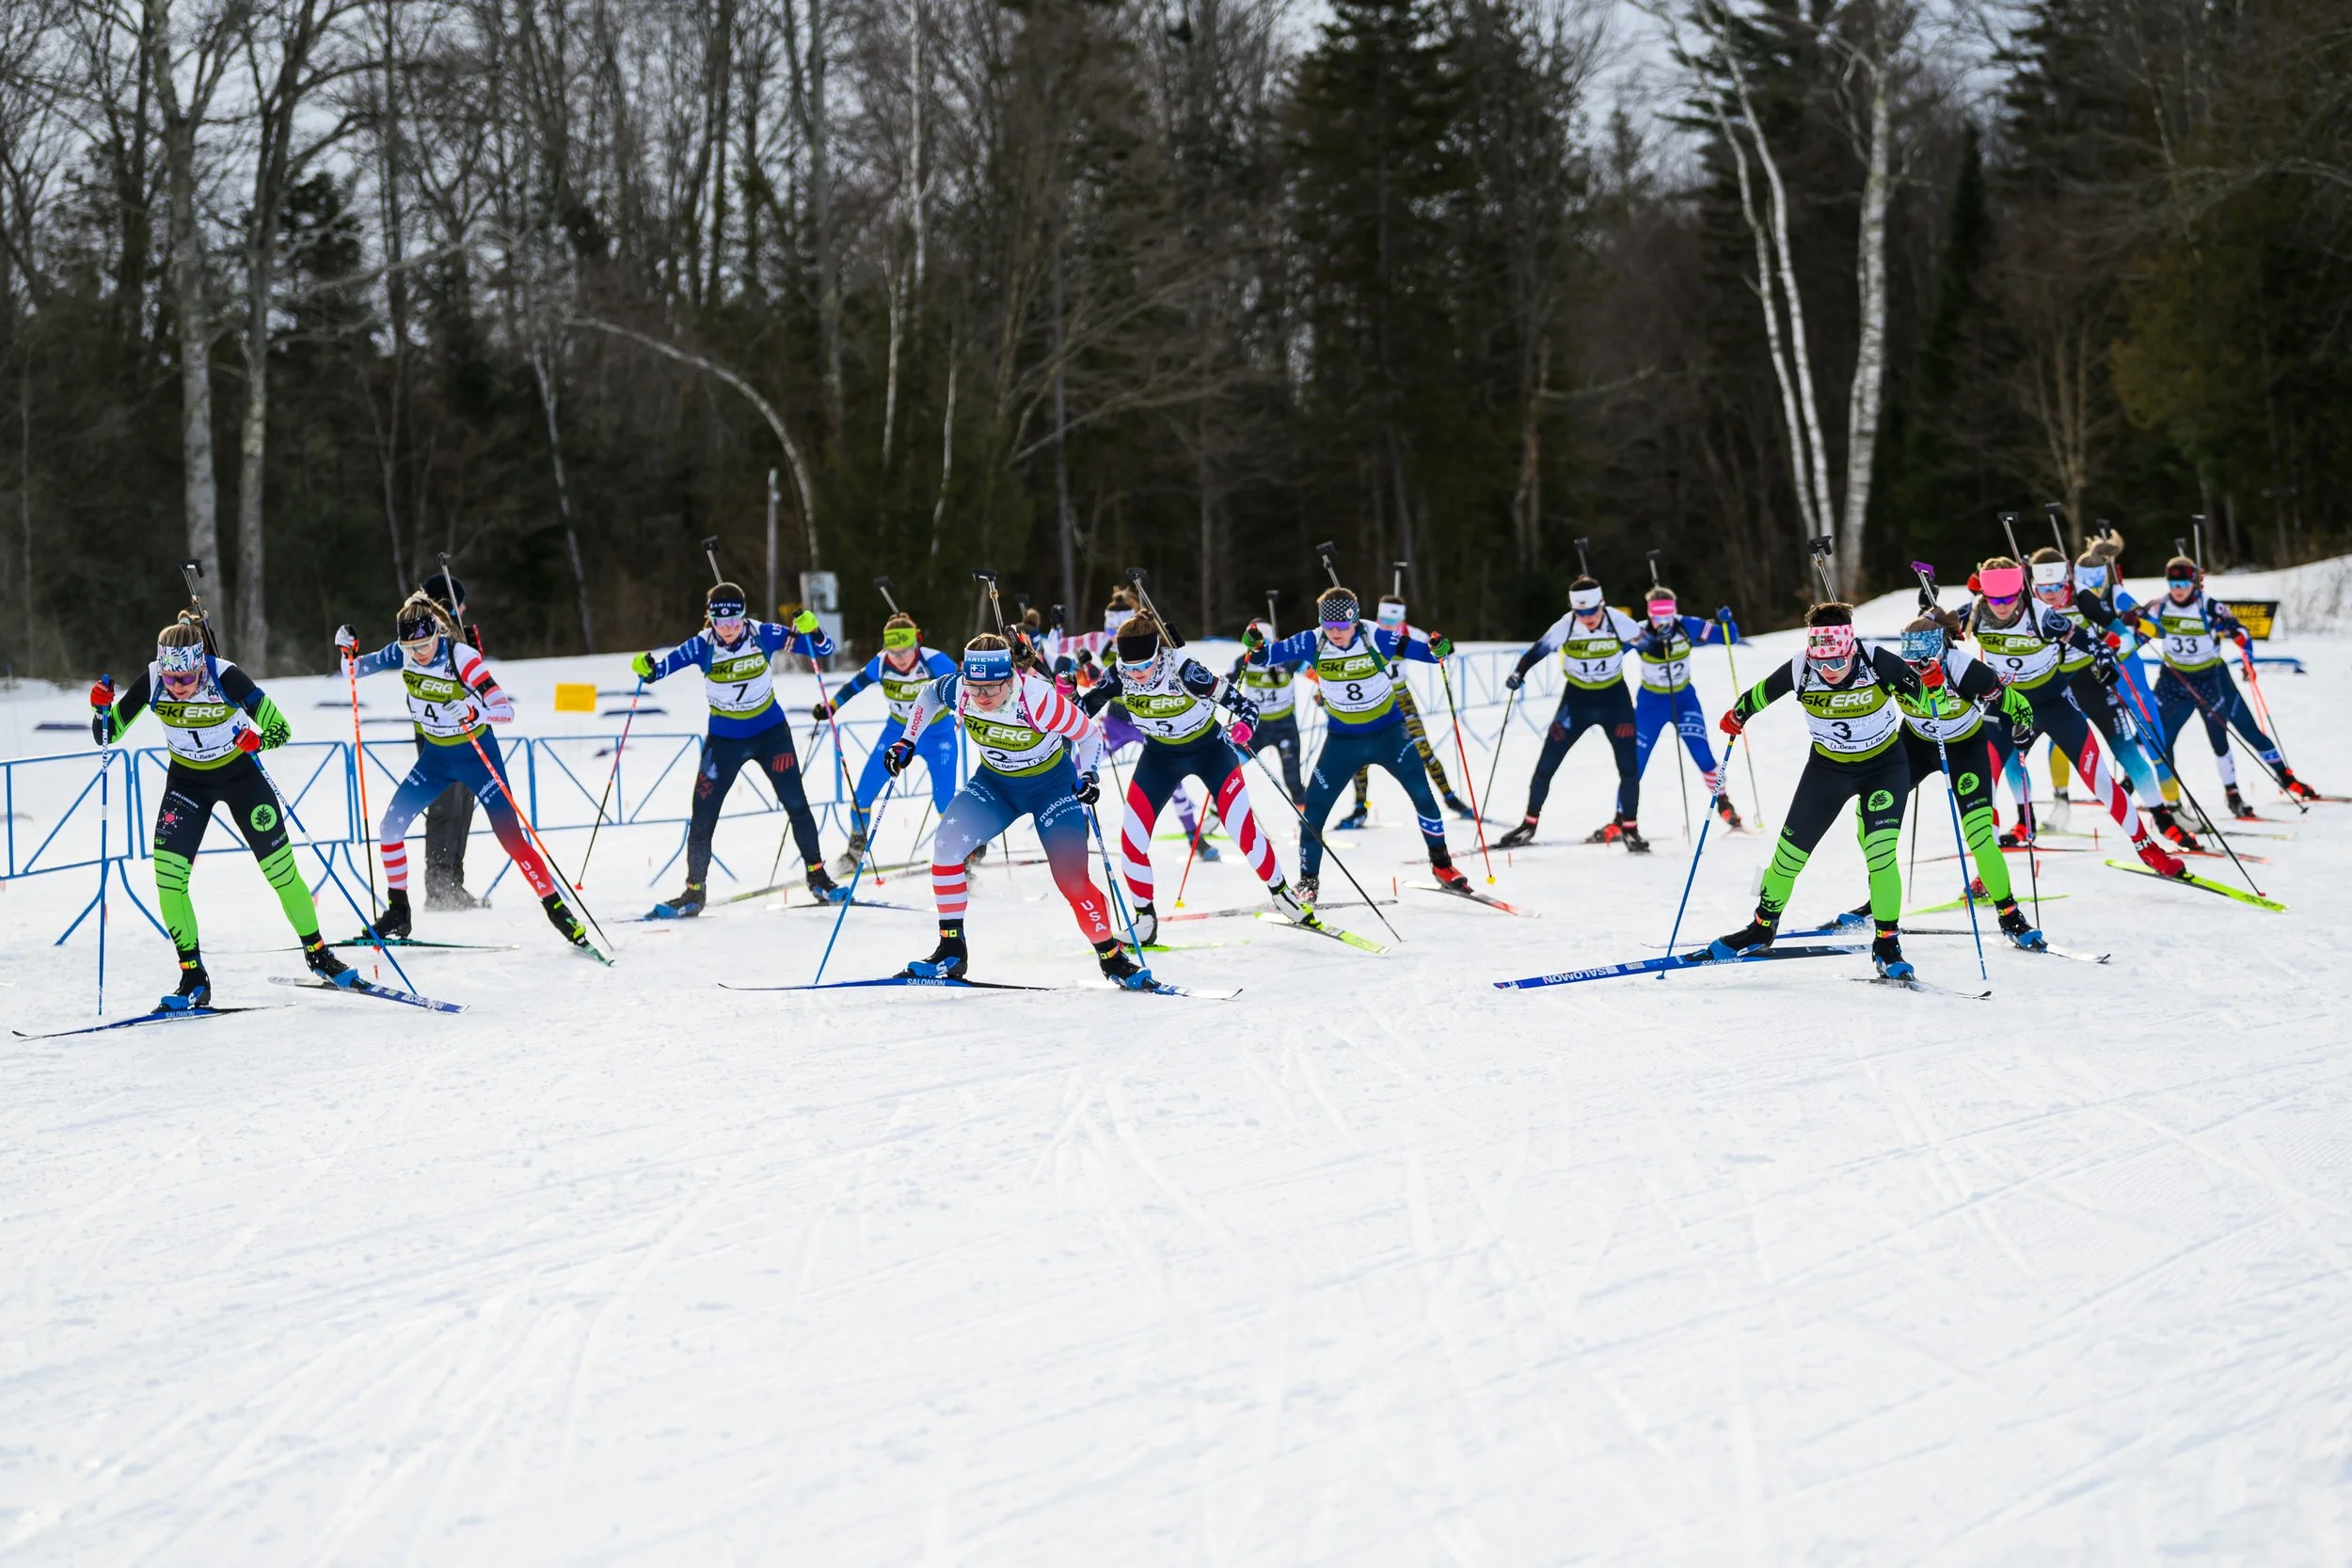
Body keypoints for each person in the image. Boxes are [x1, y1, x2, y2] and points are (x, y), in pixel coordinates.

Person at [91, 615, 356, 1008]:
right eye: (170, 679)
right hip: (187, 785)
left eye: (187, 679)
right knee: (168, 876)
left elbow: (281, 730)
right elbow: (107, 736)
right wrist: (100, 710)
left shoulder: (227, 677)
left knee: (280, 871)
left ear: (202, 666)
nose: (178, 688)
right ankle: (193, 976)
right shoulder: (151, 681)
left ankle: (318, 954)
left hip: (240, 779)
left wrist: (257, 740)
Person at [887, 634, 1152, 987]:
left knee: (1072, 880)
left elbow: (1089, 736)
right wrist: (907, 740)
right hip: (996, 786)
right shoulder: (961, 691)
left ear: (1010, 678)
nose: (981, 698)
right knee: (946, 846)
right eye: (974, 688)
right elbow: (929, 693)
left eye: (991, 689)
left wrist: (1088, 776)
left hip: (1051, 789)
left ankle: (1113, 958)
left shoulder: (1039, 701)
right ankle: (951, 950)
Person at [341, 594, 596, 950]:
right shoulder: (403, 652)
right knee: (389, 828)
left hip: (478, 758)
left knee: (511, 838)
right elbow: (353, 671)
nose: (419, 653)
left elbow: (505, 710)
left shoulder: (462, 658)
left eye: (426, 644)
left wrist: (475, 711)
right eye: (411, 647)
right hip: (435, 759)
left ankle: (557, 910)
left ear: (436, 634)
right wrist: (347, 650)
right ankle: (398, 912)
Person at [1696, 603, 1923, 979]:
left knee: (1881, 852)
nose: (1829, 672)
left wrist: (1924, 689)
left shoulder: (1879, 661)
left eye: (1837, 663)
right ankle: (1761, 927)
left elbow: (1930, 704)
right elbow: (1758, 695)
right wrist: (1738, 715)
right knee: (1788, 855)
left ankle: (1886, 941)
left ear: (1850, 649)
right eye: (1822, 665)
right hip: (1828, 769)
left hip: (1884, 768)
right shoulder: (1802, 666)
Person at [1080, 613, 1306, 944]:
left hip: (1210, 752)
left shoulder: (1185, 669)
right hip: (1159, 758)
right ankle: (1144, 918)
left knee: (1241, 830)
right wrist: (1067, 695)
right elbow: (1081, 710)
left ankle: (1282, 892)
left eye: (1144, 666)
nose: (1137, 675)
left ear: (1158, 653)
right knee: (1131, 840)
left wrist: (1244, 727)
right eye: (1130, 668)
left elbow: (1246, 707)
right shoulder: (1119, 674)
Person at [628, 581, 846, 916]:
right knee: (702, 816)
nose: (728, 628)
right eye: (720, 621)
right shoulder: (702, 645)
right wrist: (647, 669)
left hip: (771, 734)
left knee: (797, 805)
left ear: (744, 616)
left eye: (734, 620)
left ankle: (818, 878)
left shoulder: (764, 633)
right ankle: (693, 893)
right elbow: (659, 670)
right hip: (725, 742)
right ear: (710, 619)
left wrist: (813, 630)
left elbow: (824, 650)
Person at [1242, 585, 1466, 904]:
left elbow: (1429, 654)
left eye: (1342, 626)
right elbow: (1265, 655)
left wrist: (1440, 647)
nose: (1335, 633)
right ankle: (1308, 882)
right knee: (1313, 810)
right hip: (1342, 741)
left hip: (1389, 734)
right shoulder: (1311, 640)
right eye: (1329, 626)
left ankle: (1443, 866)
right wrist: (1254, 644)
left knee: (1423, 797)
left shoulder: (1376, 636)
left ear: (1355, 620)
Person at [1965, 555, 2186, 876]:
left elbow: (2093, 643)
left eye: (2009, 598)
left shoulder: (2042, 617)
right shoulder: (1974, 614)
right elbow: (1939, 630)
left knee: (2099, 779)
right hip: (2005, 705)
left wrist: (2107, 659)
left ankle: (2148, 848)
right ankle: (1986, 871)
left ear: (2020, 592)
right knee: (1982, 783)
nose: (2002, 606)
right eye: (1995, 598)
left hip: (2054, 702)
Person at [1869, 613, 2050, 949]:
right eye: (1909, 662)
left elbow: (2017, 704)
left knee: (1980, 835)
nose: (1916, 669)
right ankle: (1880, 901)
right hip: (1915, 745)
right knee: (1873, 815)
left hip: (1965, 749)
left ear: (1939, 652)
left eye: (1923, 662)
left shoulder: (1964, 668)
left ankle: (2009, 914)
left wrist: (2022, 727)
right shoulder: (1895, 667)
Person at [2118, 553, 2320, 816]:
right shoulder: (2159, 607)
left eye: (2183, 585)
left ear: (2195, 583)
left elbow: (2241, 633)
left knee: (2235, 732)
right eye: (2173, 585)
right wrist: (2125, 633)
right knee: (2152, 732)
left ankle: (2265, 782)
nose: (2178, 591)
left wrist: (2246, 656)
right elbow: (2136, 636)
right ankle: (2133, 782)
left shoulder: (2209, 607)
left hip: (2210, 678)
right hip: (2173, 679)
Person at [1494, 576, 1645, 851]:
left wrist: (1665, 644)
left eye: (1592, 611)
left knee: (1628, 767)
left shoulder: (1618, 621)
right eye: (1581, 612)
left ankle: (1630, 829)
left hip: (1615, 700)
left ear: (1602, 604)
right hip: (1577, 701)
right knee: (1546, 764)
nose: (1587, 618)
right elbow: (1537, 651)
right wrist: (1518, 673)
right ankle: (1528, 826)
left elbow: (1651, 647)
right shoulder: (1566, 625)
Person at [814, 610, 960, 876]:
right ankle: (855, 853)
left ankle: (961, 856)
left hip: (938, 734)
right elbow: (853, 686)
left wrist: (965, 715)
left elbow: (965, 686)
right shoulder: (881, 664)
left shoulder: (934, 661)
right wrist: (831, 706)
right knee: (863, 796)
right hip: (897, 733)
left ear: (916, 643)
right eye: (894, 652)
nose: (900, 658)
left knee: (944, 802)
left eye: (905, 651)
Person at [1335, 594, 1474, 828]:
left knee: (1423, 750)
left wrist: (1442, 646)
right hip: (1370, 700)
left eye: (1392, 623)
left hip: (1400, 697)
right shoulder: (1369, 632)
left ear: (1402, 619)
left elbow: (1445, 650)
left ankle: (1450, 799)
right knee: (1359, 757)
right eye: (1382, 621)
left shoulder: (1410, 633)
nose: (1386, 627)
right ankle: (1360, 809)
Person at [1629, 586, 1744, 831]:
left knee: (1702, 753)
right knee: (1635, 762)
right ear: (1648, 613)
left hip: (1683, 701)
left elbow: (1729, 637)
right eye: (1657, 614)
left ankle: (1723, 802)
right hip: (1650, 705)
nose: (1663, 619)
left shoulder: (1687, 626)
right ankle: (1623, 818)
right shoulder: (1639, 632)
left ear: (1676, 609)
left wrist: (1727, 621)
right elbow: (1614, 650)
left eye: (1668, 612)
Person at [418, 569, 483, 910]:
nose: (465, 610)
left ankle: (454, 881)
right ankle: (439, 884)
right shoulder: (423, 631)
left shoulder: (459, 635)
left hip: (466, 729)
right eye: (459, 604)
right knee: (445, 803)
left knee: (464, 802)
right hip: (437, 733)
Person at [1229, 616, 1306, 804]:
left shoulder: (1287, 660)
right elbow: (1223, 685)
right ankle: (1218, 812)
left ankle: (1308, 820)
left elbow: (1314, 672)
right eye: (1253, 645)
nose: (1257, 650)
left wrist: (1324, 691)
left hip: (1284, 726)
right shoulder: (1243, 662)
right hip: (1255, 727)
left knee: (1293, 779)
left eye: (1264, 644)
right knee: (1229, 769)